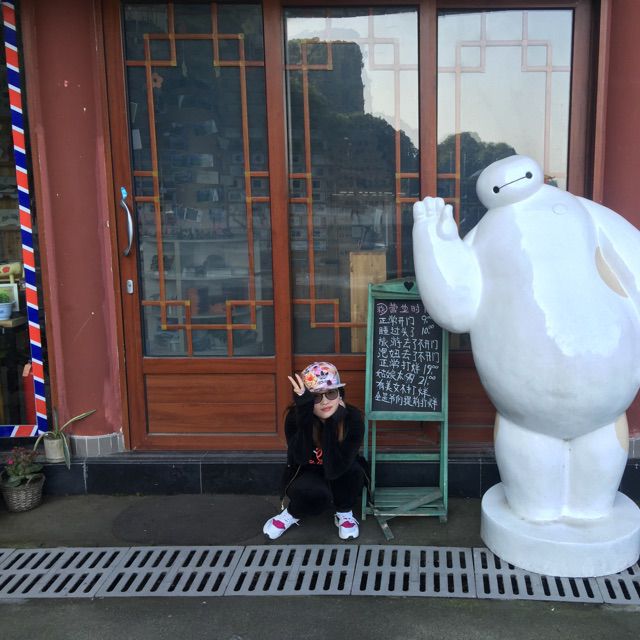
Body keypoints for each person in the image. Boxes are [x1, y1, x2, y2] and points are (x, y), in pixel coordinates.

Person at [263, 361, 366, 540]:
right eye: (316, 397)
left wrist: (332, 423)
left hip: (341, 470)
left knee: (354, 472)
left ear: (340, 395)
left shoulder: (353, 417)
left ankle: (344, 512)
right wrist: (304, 416)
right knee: (314, 494)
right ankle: (292, 513)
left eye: (331, 393)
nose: (325, 401)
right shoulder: (295, 418)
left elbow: (335, 469)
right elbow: (301, 457)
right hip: (307, 470)